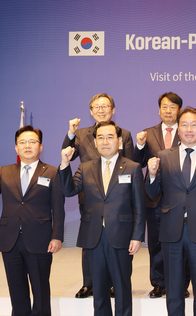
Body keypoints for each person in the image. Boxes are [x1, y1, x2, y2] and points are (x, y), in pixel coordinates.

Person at [0, 125, 65, 316]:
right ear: (16, 148)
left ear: (41, 146)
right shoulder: (5, 171)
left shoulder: (51, 172)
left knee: (40, 291)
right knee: (17, 292)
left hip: (40, 240)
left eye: (32, 142)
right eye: (22, 142)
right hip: (10, 240)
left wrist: (57, 237)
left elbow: (58, 207)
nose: (27, 146)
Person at [145, 107, 196, 316]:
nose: (189, 129)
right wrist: (151, 175)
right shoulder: (163, 156)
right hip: (171, 232)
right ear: (178, 129)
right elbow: (153, 194)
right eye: (184, 125)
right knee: (173, 291)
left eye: (194, 125)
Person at [59, 121, 145, 316]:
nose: (105, 141)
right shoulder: (85, 167)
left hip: (122, 237)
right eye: (100, 138)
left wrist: (137, 236)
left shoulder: (132, 168)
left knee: (122, 289)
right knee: (99, 291)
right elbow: (68, 190)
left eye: (110, 137)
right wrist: (65, 164)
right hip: (94, 236)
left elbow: (139, 206)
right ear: (95, 143)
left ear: (119, 141)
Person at [62, 93, 134, 298]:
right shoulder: (81, 133)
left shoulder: (124, 134)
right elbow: (67, 154)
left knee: (117, 241)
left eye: (105, 106)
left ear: (113, 110)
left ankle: (115, 283)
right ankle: (89, 283)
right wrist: (70, 134)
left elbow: (129, 166)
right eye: (97, 107)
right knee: (91, 241)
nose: (101, 110)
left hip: (117, 200)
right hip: (90, 197)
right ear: (91, 111)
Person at [133, 92, 191, 299]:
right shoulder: (147, 134)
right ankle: (159, 283)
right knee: (156, 243)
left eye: (172, 107)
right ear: (159, 110)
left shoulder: (187, 132)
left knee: (182, 241)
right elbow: (137, 163)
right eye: (164, 107)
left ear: (179, 111)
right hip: (154, 197)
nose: (168, 111)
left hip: (179, 198)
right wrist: (139, 146)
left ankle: (182, 284)